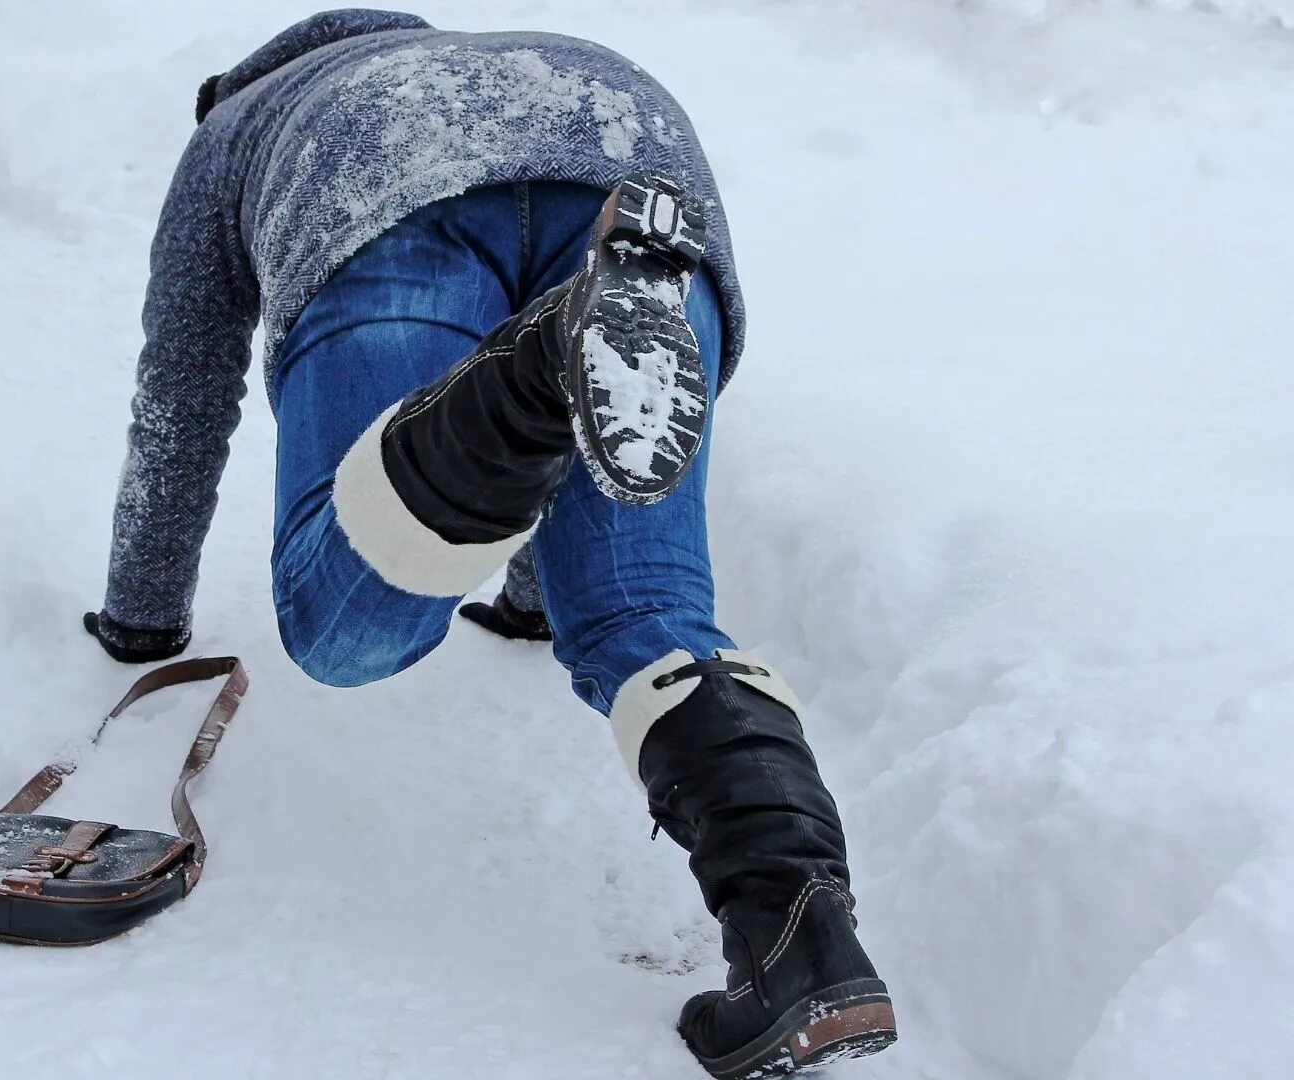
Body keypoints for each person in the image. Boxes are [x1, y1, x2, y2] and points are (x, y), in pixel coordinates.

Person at [82, 11, 896, 1077]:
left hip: (386, 163)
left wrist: (142, 617)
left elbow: (180, 398)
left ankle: (533, 365)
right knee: (647, 618)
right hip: (632, 142)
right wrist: (533, 600)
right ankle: (802, 944)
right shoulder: (457, 48)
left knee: (348, 627)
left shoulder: (237, 123)